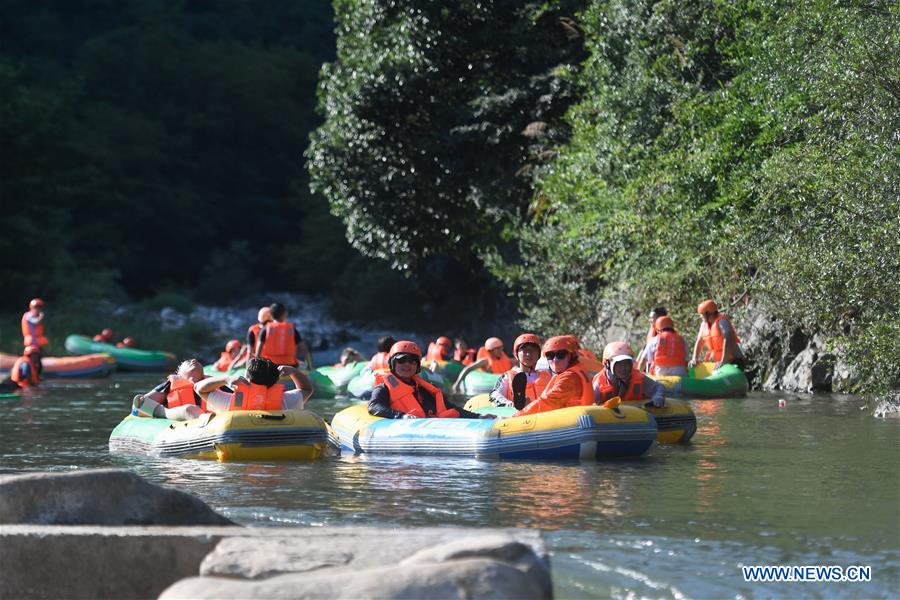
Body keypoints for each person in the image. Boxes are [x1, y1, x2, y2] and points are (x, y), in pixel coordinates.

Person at [368, 341, 493, 419]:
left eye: (412, 361)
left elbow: (451, 408)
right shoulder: (384, 388)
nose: (407, 365)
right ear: (392, 364)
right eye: (401, 361)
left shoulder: (424, 388)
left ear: (417, 366)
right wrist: (401, 416)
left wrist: (478, 417)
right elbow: (374, 406)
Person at [513, 336, 595, 416]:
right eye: (550, 355)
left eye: (561, 354)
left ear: (571, 356)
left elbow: (548, 402)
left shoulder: (570, 378)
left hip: (573, 425)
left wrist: (519, 415)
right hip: (575, 420)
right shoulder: (570, 371)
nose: (555, 360)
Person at [196, 357, 315, 412]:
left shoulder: (230, 403)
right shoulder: (285, 401)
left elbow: (199, 389)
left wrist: (226, 379)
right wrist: (293, 371)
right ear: (275, 380)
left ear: (246, 378)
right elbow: (306, 389)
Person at [131, 359, 210, 421]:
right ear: (178, 373)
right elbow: (139, 407)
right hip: (182, 419)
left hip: (214, 422)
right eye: (188, 361)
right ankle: (163, 412)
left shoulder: (215, 385)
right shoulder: (169, 386)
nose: (194, 360)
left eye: (198, 362)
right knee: (188, 410)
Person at [593, 342, 666, 407]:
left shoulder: (638, 378)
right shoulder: (598, 385)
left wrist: (658, 397)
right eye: (619, 364)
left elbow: (658, 387)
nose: (624, 368)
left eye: (627, 364)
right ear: (607, 364)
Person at [488, 334, 551, 409]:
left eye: (533, 350)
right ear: (516, 354)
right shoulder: (508, 377)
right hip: (519, 417)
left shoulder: (547, 375)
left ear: (539, 354)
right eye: (524, 350)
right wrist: (511, 405)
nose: (529, 354)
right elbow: (494, 395)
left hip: (545, 416)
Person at [255, 303, 314, 368]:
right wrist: (309, 366)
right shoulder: (291, 329)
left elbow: (258, 352)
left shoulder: (265, 329)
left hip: (270, 367)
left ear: (271, 315)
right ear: (284, 314)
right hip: (290, 366)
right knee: (301, 364)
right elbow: (304, 350)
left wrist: (257, 368)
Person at [690, 299, 745, 370]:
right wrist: (694, 358)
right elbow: (699, 341)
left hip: (734, 360)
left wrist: (723, 361)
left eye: (702, 314)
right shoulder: (704, 325)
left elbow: (728, 337)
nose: (700, 316)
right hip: (721, 362)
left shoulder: (722, 321)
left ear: (708, 313)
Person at [636, 306, 667, 371]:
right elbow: (645, 348)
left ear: (659, 318)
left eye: (652, 318)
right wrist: (637, 362)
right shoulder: (652, 330)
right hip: (647, 366)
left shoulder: (664, 334)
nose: (649, 320)